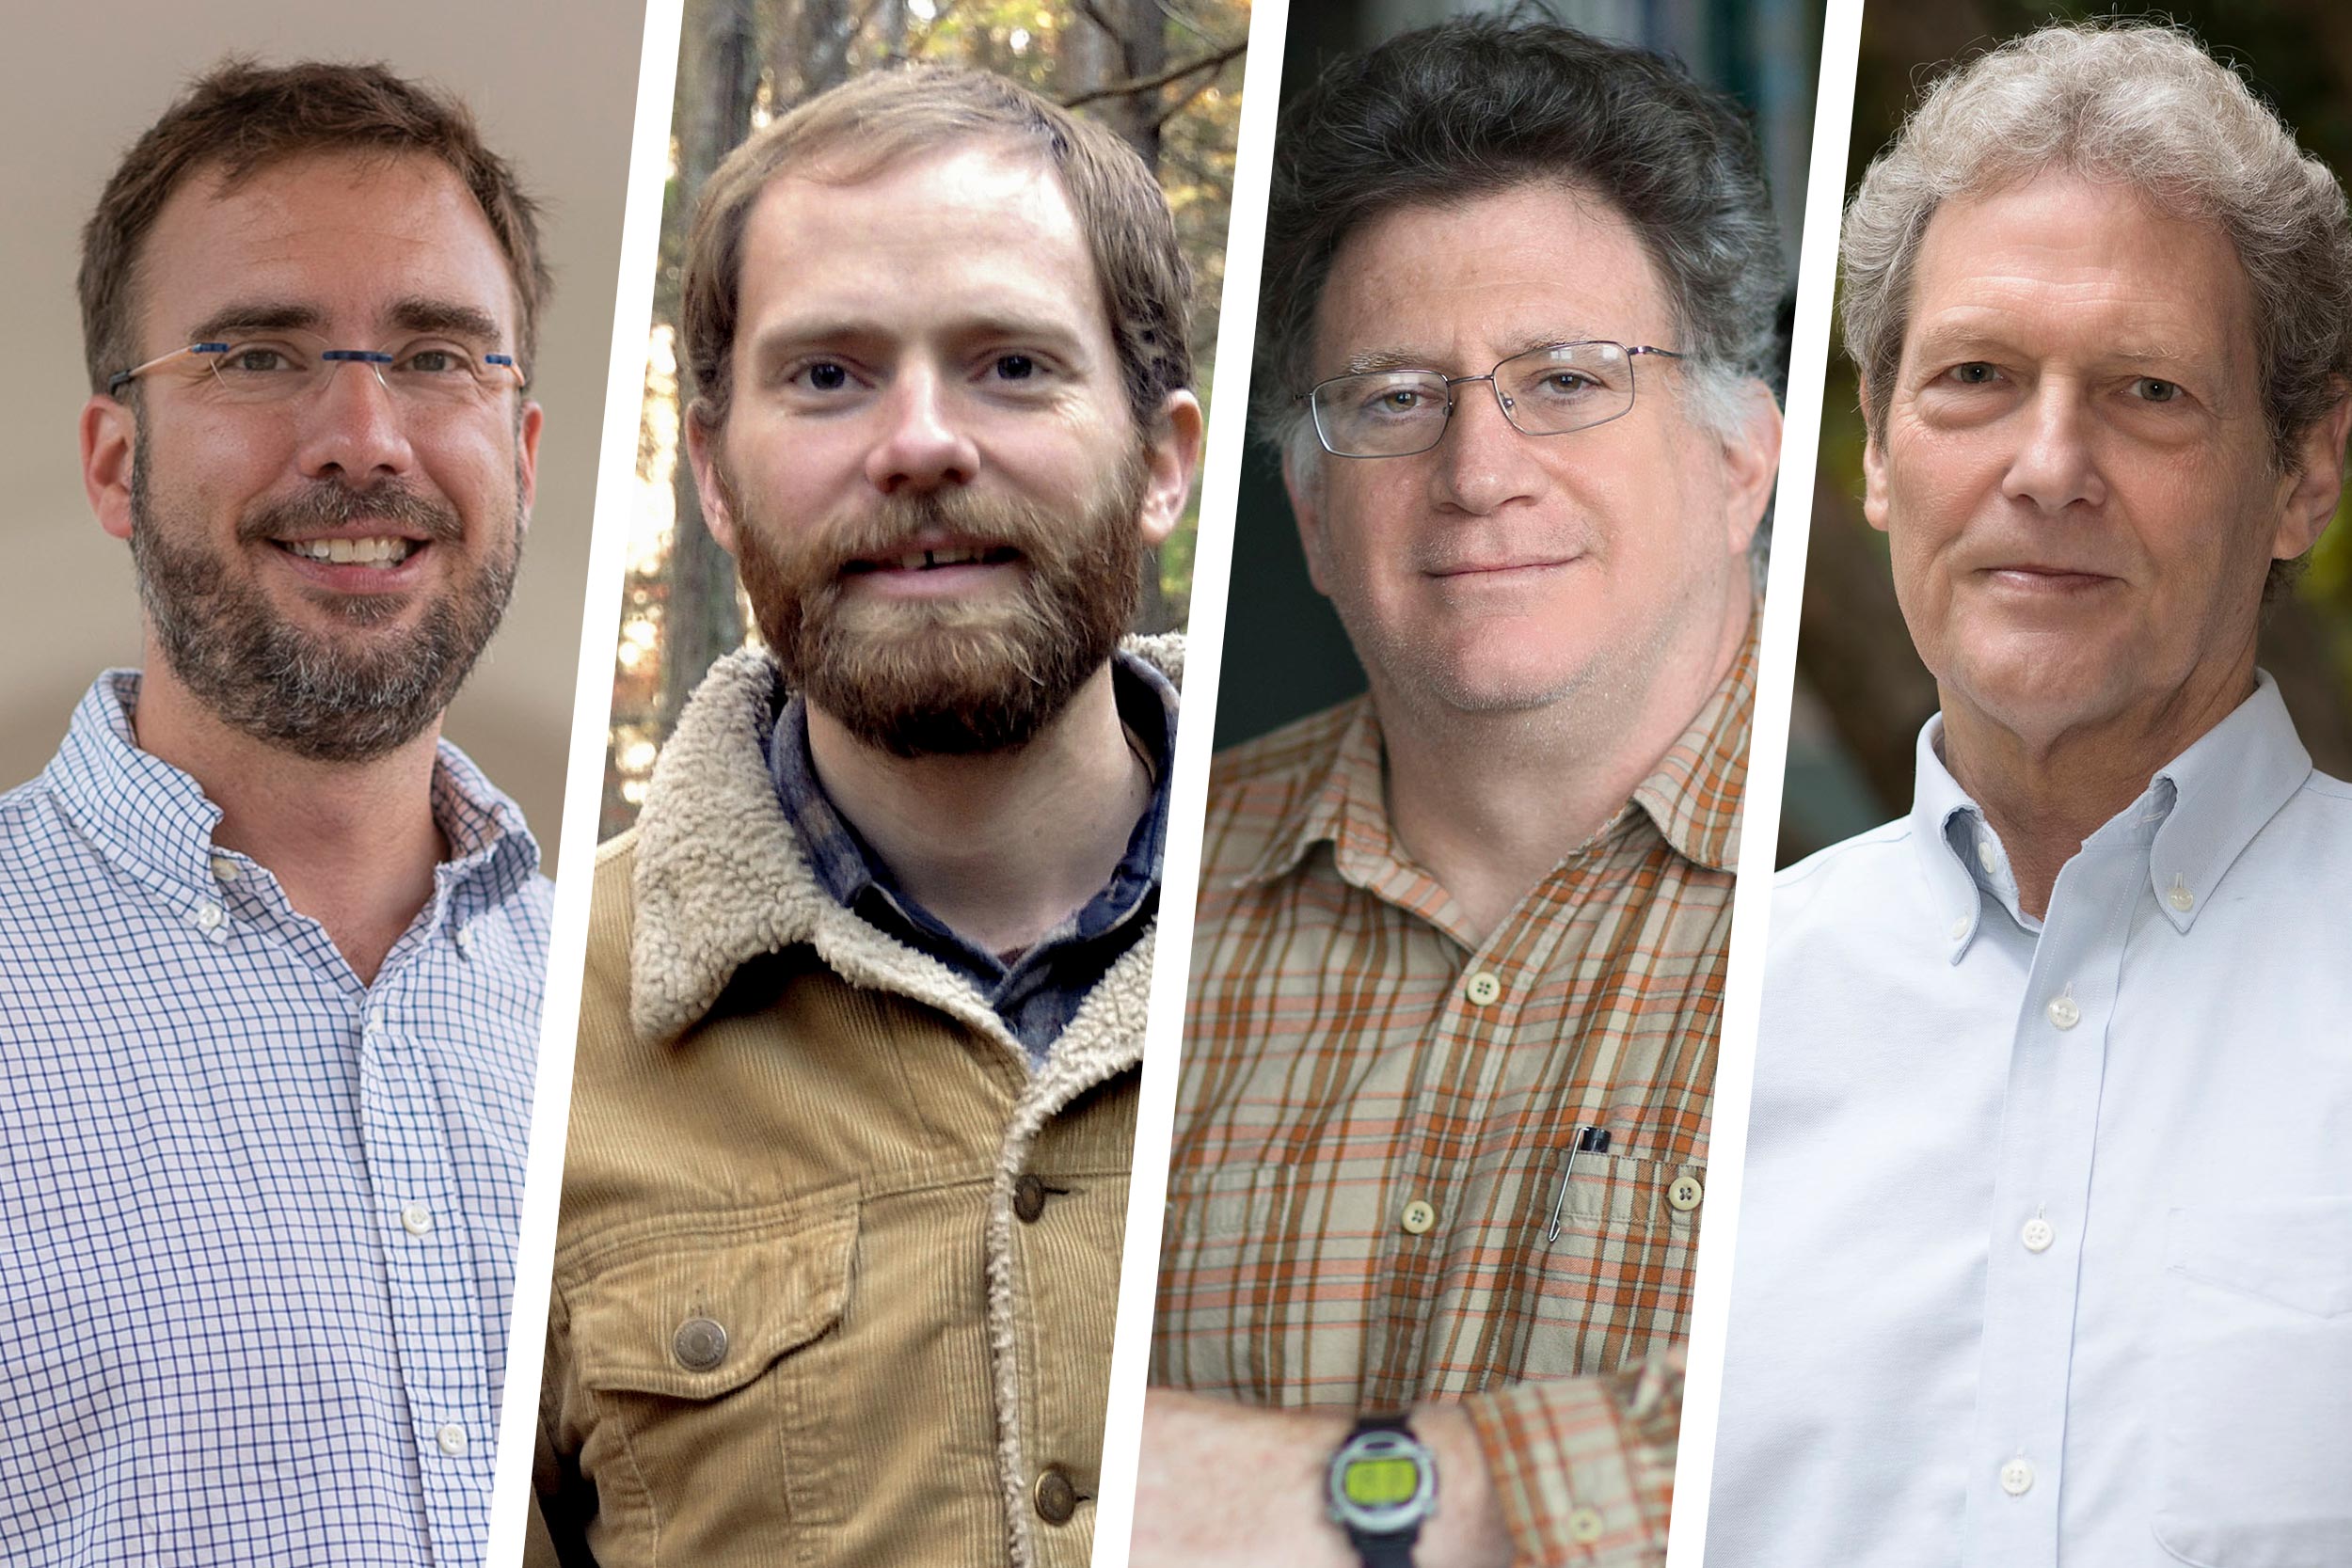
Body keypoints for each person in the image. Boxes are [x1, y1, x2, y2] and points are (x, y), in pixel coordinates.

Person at [533, 65, 1202, 1568]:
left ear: (1161, 461)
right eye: (828, 375)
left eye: (1011, 366)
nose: (919, 444)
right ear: (710, 470)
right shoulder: (530, 1033)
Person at [1140, 17, 1784, 1568]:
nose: (1480, 470)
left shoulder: (1909, 875)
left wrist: (1364, 1506)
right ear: (1309, 510)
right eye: (1393, 400)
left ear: (1739, 462)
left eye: (1566, 381)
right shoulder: (1147, 887)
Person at [1710, 22, 2352, 1567]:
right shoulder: (1690, 1015)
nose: (2049, 467)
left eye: (2146, 391)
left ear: (2305, 476)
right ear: (1875, 453)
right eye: (1976, 377)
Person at [0, 60, 552, 1564]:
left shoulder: (621, 997)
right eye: (256, 356)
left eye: (441, 356)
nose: (365, 437)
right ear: (120, 466)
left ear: (521, 451)